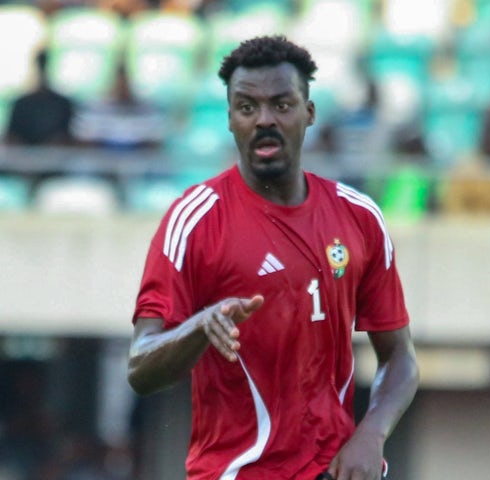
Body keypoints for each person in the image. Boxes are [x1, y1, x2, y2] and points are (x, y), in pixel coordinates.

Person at [127, 35, 419, 480]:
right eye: (247, 108)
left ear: (309, 113)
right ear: (229, 119)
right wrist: (199, 326)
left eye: (281, 105)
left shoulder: (359, 218)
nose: (264, 120)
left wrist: (371, 433)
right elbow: (140, 366)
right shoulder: (195, 219)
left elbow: (400, 357)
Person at [4, 49, 75, 146]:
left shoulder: (63, 104)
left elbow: (66, 137)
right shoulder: (21, 103)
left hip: (55, 156)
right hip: (23, 157)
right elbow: (11, 136)